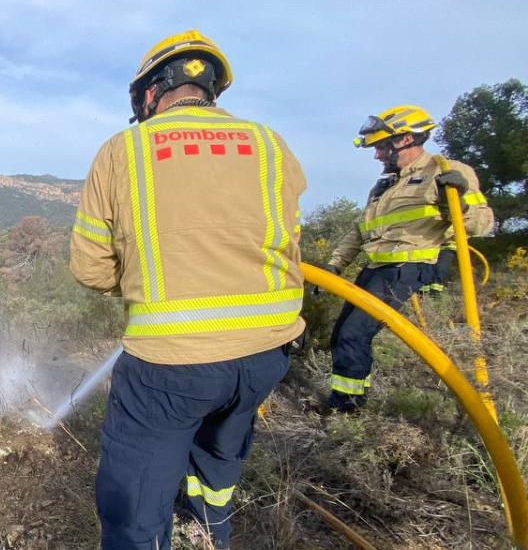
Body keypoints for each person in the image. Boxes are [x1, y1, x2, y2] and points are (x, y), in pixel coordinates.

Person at [71, 30, 306, 549]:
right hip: (265, 353)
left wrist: (146, 286)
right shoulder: (271, 143)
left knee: (133, 503)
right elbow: (289, 240)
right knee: (217, 464)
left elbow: (90, 268)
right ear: (211, 88)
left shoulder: (123, 149)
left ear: (153, 90)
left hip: (171, 365)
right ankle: (209, 536)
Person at [321, 106, 493, 412]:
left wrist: (453, 202)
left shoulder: (447, 171)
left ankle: (345, 409)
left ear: (406, 140)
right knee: (342, 334)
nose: (376, 156)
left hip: (408, 268)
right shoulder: (386, 184)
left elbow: (481, 224)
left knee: (353, 334)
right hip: (376, 268)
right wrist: (335, 265)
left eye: (381, 147)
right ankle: (349, 401)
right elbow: (360, 230)